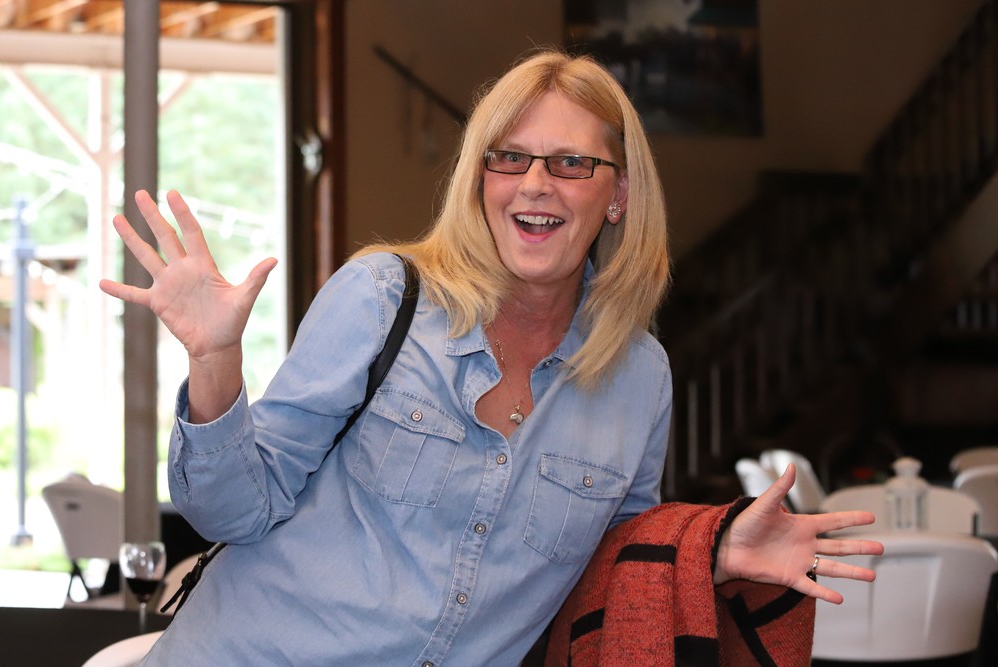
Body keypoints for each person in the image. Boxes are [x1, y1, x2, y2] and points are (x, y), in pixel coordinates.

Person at [100, 49, 882, 666]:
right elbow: (233, 511)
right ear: (481, 180)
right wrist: (216, 359)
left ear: (618, 196)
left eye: (571, 163)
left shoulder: (641, 376)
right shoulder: (382, 297)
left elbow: (610, 573)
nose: (535, 184)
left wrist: (711, 549)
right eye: (509, 157)